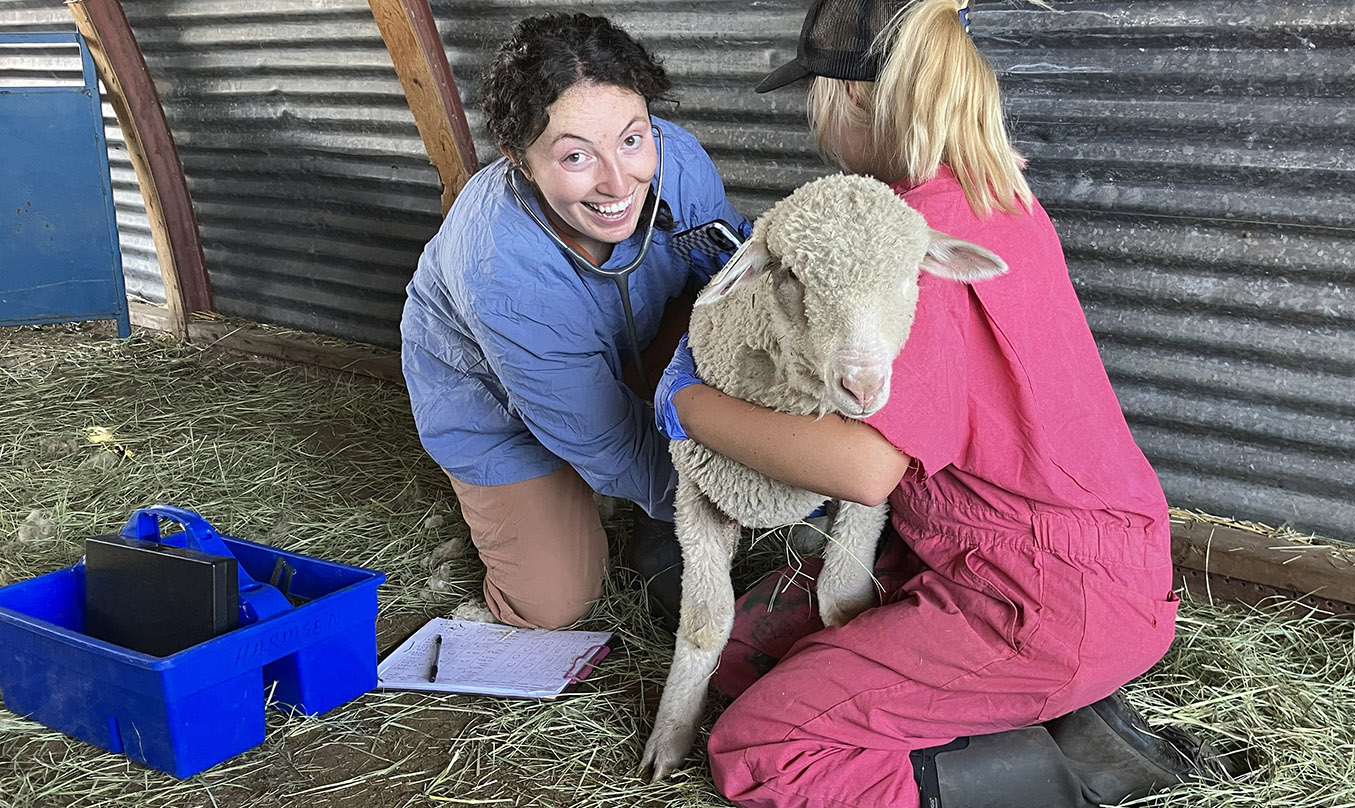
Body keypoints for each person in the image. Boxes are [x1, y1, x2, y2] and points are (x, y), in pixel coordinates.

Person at [652, 0, 1228, 805]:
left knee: (766, 746)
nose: (817, 128)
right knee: (750, 647)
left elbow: (864, 470)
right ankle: (1067, 718)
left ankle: (1069, 775)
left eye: (815, 99)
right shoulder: (989, 191)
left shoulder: (909, 240)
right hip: (1049, 556)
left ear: (851, 96)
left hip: (1040, 595)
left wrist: (688, 405)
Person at [400, 12, 746, 630]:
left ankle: (637, 497)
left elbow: (728, 288)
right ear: (520, 161)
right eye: (576, 155)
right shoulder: (503, 269)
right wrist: (728, 495)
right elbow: (606, 437)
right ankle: (528, 502)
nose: (620, 180)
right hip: (495, 403)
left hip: (626, 349)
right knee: (556, 601)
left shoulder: (679, 162)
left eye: (633, 138)